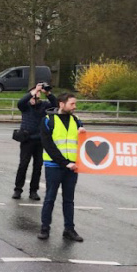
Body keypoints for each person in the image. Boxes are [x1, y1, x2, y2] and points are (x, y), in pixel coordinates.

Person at [39, 93, 85, 242]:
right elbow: (48, 145)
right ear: (61, 104)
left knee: (69, 199)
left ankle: (69, 229)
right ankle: (45, 228)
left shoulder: (77, 121)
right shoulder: (48, 120)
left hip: (72, 167)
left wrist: (83, 134)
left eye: (75, 104)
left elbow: (82, 143)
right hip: (54, 166)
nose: (75, 107)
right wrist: (64, 163)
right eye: (72, 104)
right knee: (50, 197)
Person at [13, 83, 57, 200]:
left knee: (38, 166)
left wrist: (48, 93)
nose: (34, 98)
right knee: (23, 164)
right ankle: (18, 189)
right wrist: (33, 92)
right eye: (33, 96)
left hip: (40, 140)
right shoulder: (25, 106)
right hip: (27, 139)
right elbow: (20, 102)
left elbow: (56, 105)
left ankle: (34, 190)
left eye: (37, 95)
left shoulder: (44, 106)